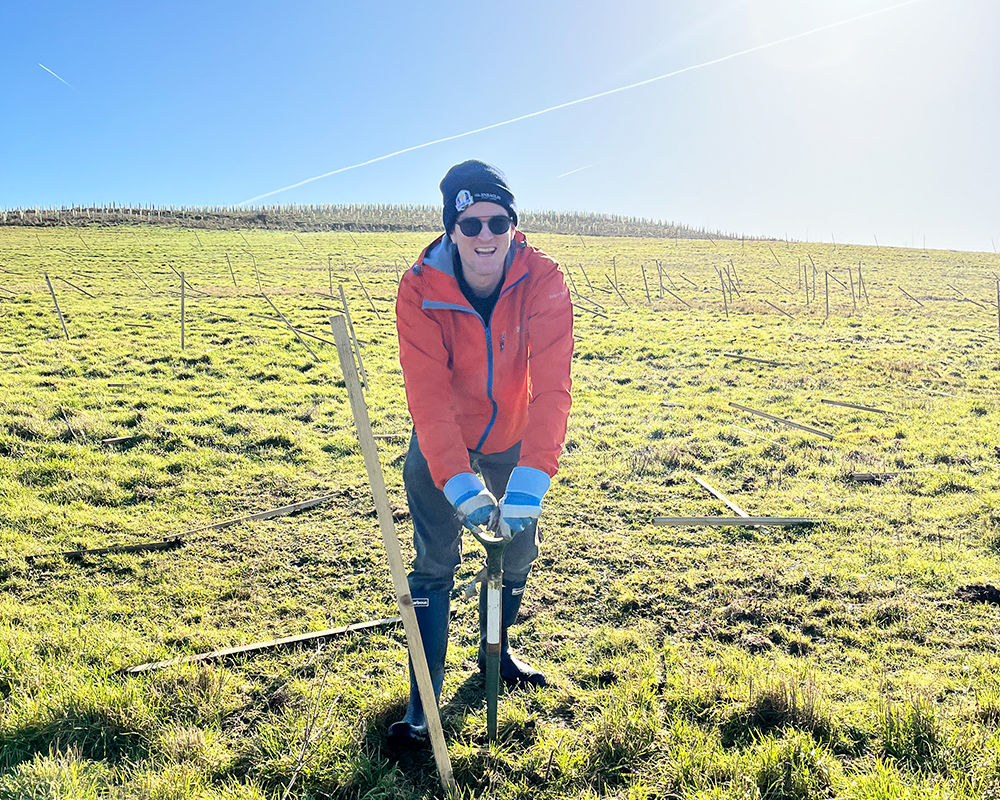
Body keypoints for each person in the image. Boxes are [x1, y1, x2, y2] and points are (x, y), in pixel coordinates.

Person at [389, 160, 574, 745]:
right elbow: (429, 399)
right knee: (435, 566)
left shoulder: (543, 279)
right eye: (470, 225)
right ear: (451, 229)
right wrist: (459, 484)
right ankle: (425, 700)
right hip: (443, 442)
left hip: (514, 437)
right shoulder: (420, 290)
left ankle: (499, 650)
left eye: (499, 221)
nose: (486, 236)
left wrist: (532, 477)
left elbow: (552, 387)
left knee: (517, 557)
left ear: (514, 226)